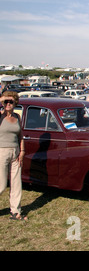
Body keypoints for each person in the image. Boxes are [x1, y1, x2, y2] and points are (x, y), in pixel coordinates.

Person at [0, 91, 27, 220]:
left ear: (15, 102)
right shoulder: (0, 116)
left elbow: (20, 135)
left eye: (11, 101)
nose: (8, 104)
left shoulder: (17, 117)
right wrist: (3, 97)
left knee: (16, 183)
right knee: (1, 184)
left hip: (15, 152)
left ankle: (16, 211)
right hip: (2, 152)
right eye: (6, 101)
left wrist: (22, 151)